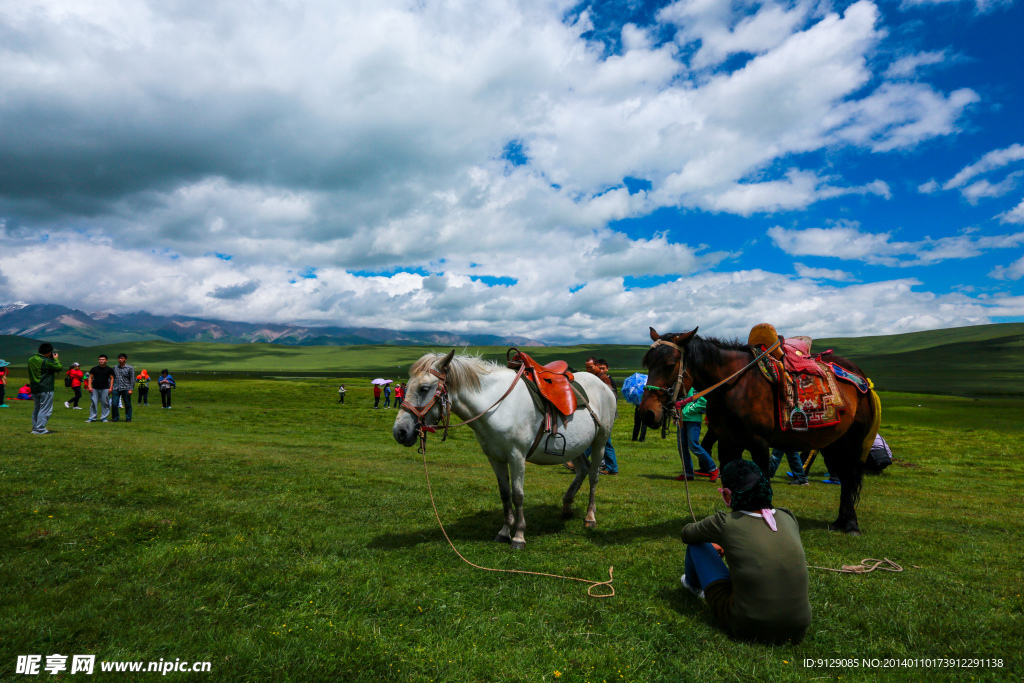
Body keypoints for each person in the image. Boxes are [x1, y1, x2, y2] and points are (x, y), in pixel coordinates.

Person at [680, 459, 811, 644]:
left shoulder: (724, 522)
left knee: (697, 546)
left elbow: (687, 534)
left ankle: (692, 586)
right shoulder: (787, 516)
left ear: (727, 495)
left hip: (747, 625)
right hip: (799, 627)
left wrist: (715, 540)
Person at [677, 386, 719, 482]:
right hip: (681, 419)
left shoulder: (698, 386)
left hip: (693, 420)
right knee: (682, 447)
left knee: (693, 445)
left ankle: (713, 469)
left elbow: (703, 401)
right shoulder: (685, 387)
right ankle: (688, 473)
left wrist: (688, 412)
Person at [27, 342, 63, 434]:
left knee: (37, 408)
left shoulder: (31, 359)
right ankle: (40, 429)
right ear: (49, 352)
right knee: (45, 409)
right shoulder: (46, 361)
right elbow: (58, 367)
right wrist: (56, 359)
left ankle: (35, 428)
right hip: (45, 388)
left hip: (34, 388)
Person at [87, 354, 115, 423]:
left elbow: (112, 379)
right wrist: (89, 386)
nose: (101, 361)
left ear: (106, 360)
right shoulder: (94, 369)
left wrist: (111, 388)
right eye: (100, 359)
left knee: (105, 403)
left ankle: (104, 418)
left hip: (105, 388)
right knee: (93, 403)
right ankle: (92, 417)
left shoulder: (109, 369)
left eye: (103, 359)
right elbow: (90, 377)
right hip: (95, 388)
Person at [110, 353, 135, 422]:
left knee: (127, 404)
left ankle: (128, 418)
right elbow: (112, 377)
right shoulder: (115, 368)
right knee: (114, 404)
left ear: (125, 359)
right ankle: (115, 418)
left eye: (122, 358)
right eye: (119, 358)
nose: (120, 360)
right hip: (116, 388)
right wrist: (111, 387)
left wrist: (131, 389)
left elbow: (132, 379)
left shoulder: (130, 368)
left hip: (126, 388)